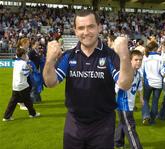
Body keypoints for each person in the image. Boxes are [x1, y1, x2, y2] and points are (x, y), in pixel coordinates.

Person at [43, 10, 133, 149]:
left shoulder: (110, 55)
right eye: (81, 28)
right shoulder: (69, 56)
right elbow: (50, 83)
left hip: (102, 125)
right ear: (75, 31)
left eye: (91, 26)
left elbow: (125, 84)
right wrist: (49, 60)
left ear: (99, 27)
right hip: (74, 123)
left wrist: (125, 55)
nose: (86, 32)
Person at [114, 50, 143, 149]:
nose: (138, 62)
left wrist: (141, 98)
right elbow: (116, 88)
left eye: (140, 60)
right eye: (136, 60)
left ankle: (118, 142)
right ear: (130, 60)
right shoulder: (125, 73)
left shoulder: (138, 74)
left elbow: (139, 87)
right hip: (123, 104)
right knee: (130, 127)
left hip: (130, 104)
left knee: (123, 123)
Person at [2, 48, 40, 121]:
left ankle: (6, 116)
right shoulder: (23, 63)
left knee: (13, 102)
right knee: (27, 101)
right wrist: (30, 69)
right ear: (22, 55)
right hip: (22, 85)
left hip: (15, 85)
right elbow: (25, 74)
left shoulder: (16, 62)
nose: (26, 55)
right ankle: (33, 114)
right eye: (25, 54)